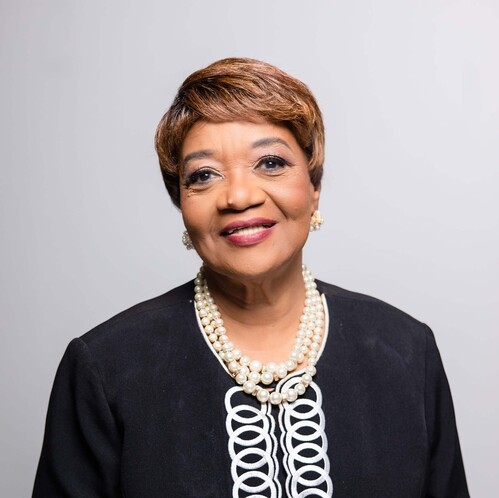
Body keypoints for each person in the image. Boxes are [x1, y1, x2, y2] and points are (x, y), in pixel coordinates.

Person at [33, 58, 469, 497]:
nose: (239, 197)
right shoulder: (106, 367)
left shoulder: (407, 351)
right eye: (204, 175)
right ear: (181, 202)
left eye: (271, 163)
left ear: (314, 186)